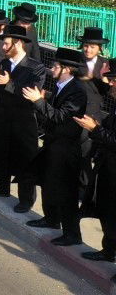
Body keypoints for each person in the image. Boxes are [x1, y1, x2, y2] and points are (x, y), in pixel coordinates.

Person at [21, 48, 87, 247]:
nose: (52, 69)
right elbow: (49, 117)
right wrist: (39, 103)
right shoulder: (60, 85)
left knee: (66, 193)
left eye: (56, 66)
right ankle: (51, 218)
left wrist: (39, 101)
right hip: (53, 145)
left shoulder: (77, 91)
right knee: (49, 184)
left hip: (67, 150)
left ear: (67, 69)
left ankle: (72, 234)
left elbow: (60, 117)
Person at [0, 25, 48, 214]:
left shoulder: (36, 68)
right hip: (3, 116)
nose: (3, 47)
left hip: (24, 121)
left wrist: (7, 83)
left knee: (24, 160)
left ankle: (26, 199)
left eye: (7, 44)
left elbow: (30, 93)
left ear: (18, 43)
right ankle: (2, 187)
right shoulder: (4, 63)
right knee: (1, 152)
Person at [75, 62, 116, 266]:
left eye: (114, 81)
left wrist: (95, 129)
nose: (111, 84)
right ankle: (108, 251)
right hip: (107, 169)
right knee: (107, 213)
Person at [79, 27, 109, 95]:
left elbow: (106, 91)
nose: (88, 50)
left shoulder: (105, 63)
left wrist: (103, 77)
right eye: (86, 46)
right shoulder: (76, 60)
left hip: (96, 104)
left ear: (99, 48)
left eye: (92, 47)